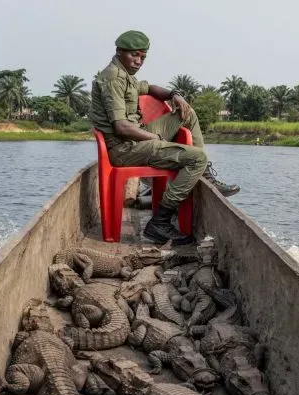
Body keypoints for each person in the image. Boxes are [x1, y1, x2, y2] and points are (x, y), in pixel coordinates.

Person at [90, 30, 241, 246]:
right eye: (134, 55)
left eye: (143, 57)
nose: (139, 61)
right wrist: (154, 138)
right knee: (197, 158)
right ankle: (160, 221)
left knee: (186, 112)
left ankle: (205, 176)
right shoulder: (113, 78)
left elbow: (150, 88)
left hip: (136, 138)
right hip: (124, 148)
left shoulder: (126, 75)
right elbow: (122, 127)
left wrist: (174, 95)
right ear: (119, 52)